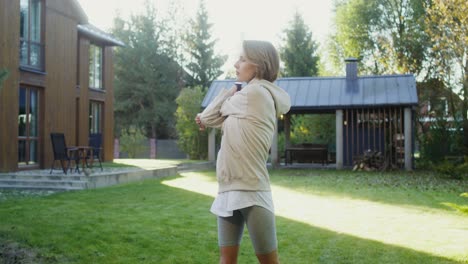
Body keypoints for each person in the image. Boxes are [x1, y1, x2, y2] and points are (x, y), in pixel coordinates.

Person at [195, 40, 291, 264]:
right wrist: (233, 89)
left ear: (257, 65)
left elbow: (207, 117)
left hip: (251, 189)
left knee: (269, 262)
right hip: (228, 189)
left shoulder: (255, 94)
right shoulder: (243, 99)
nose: (236, 64)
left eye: (242, 59)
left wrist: (232, 91)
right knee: (226, 261)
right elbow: (209, 118)